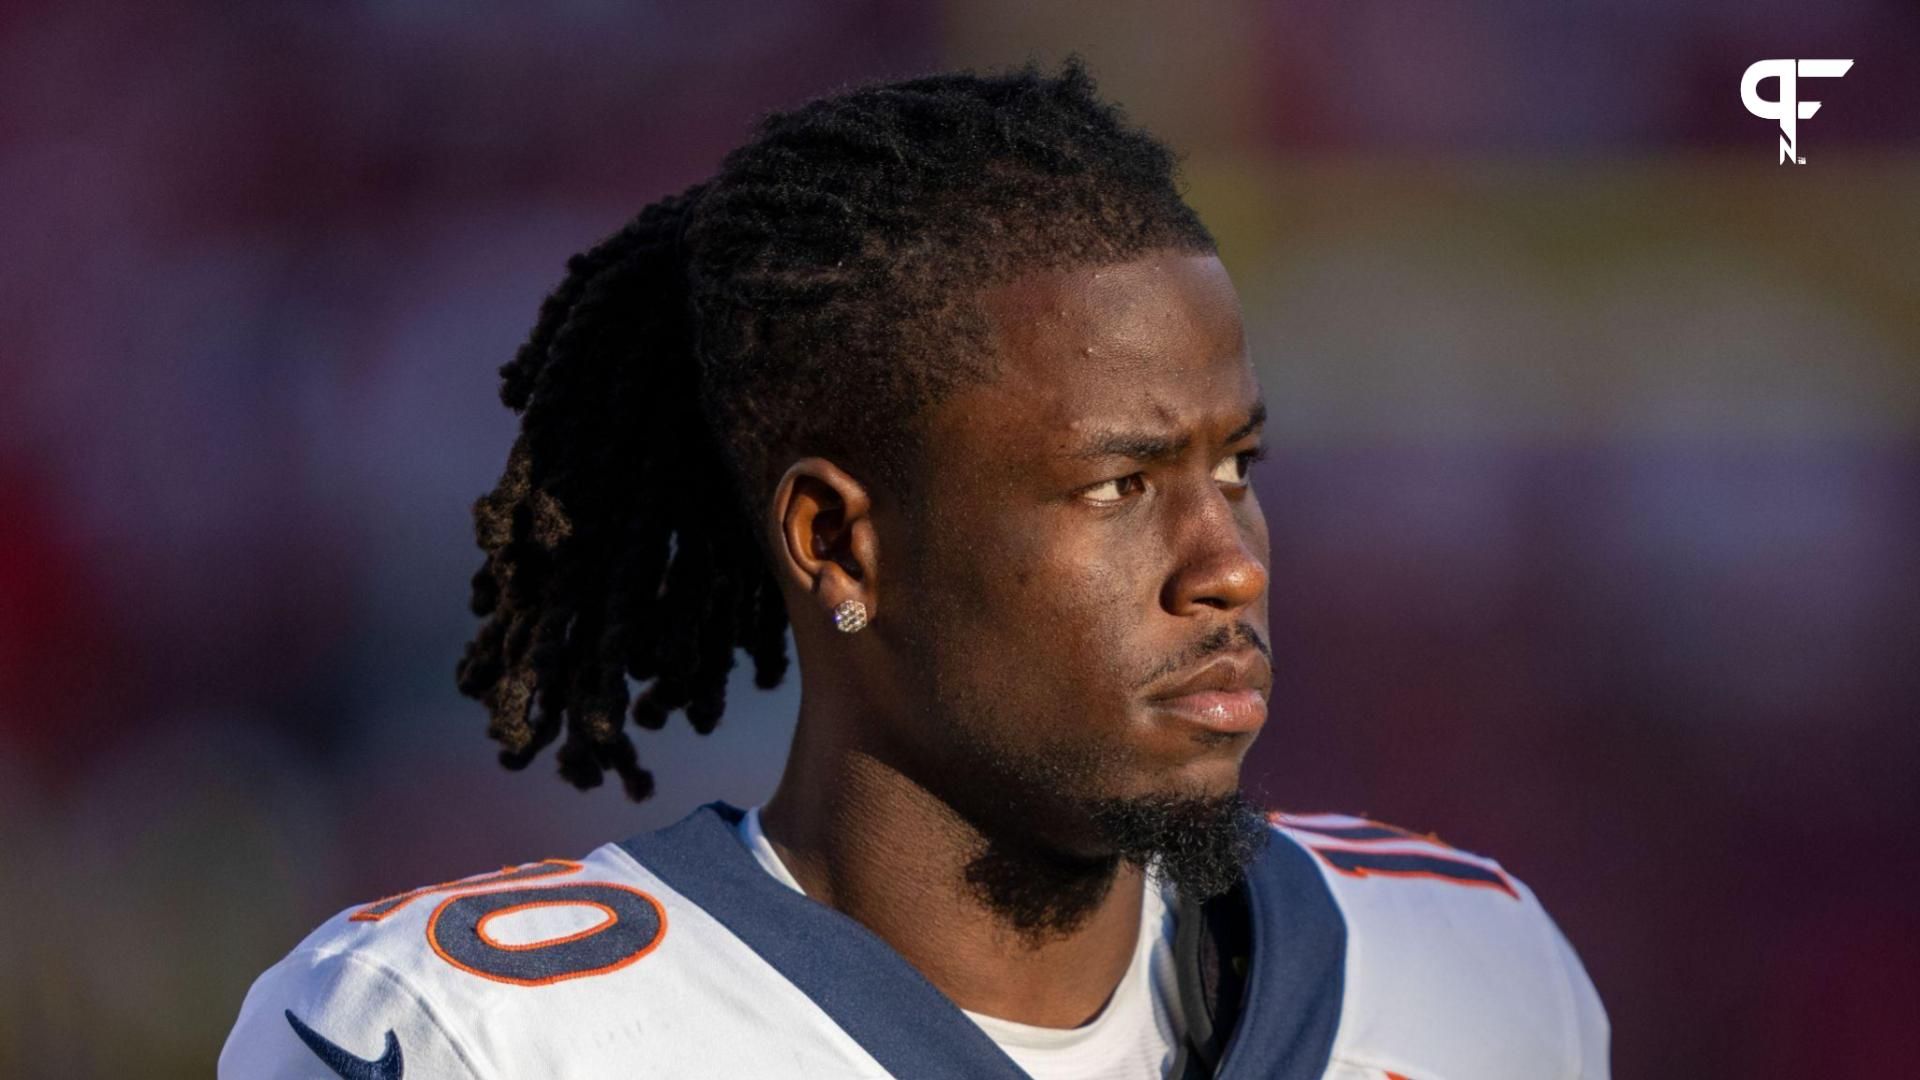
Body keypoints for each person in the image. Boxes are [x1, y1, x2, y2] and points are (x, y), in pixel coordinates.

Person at [220, 59, 1608, 1079]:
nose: (1226, 567)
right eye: (1121, 485)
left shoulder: (1473, 979)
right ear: (839, 543)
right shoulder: (479, 1037)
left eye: (1234, 468)